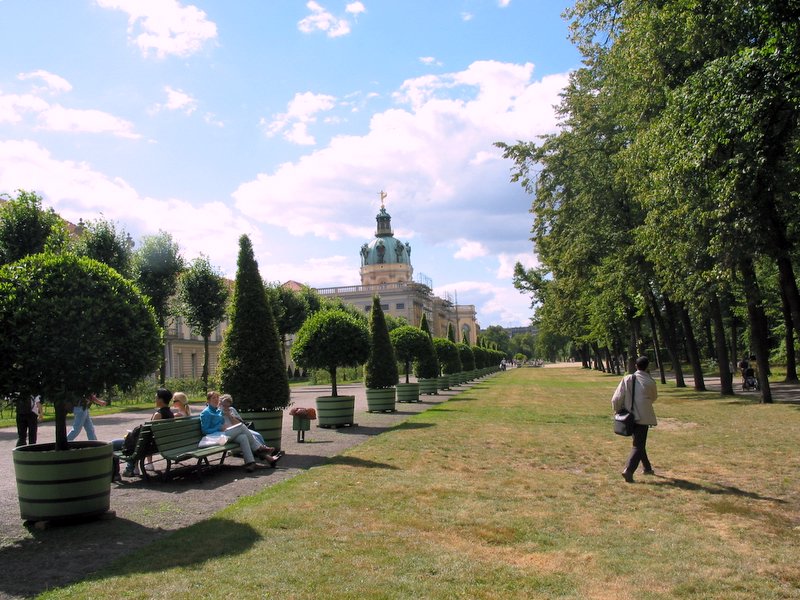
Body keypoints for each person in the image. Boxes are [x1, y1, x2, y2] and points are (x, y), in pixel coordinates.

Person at [200, 391, 279, 472]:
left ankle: (250, 463)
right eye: (213, 398)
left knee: (243, 437)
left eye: (217, 397)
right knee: (241, 426)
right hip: (215, 438)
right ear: (208, 400)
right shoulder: (206, 413)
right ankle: (260, 449)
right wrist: (218, 428)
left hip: (223, 435)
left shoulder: (217, 411)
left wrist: (227, 419)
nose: (216, 399)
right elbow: (205, 430)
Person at [611, 355, 658, 483]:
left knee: (638, 444)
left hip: (629, 417)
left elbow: (616, 398)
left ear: (636, 366)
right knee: (639, 444)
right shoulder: (650, 382)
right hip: (643, 417)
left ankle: (647, 468)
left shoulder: (627, 379)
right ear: (647, 367)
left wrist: (618, 410)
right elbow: (654, 397)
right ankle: (629, 470)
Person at [116, 388, 175, 478]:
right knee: (134, 442)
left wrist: (132, 435)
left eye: (156, 397)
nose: (155, 399)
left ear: (161, 400)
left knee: (113, 444)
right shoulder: (171, 414)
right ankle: (132, 468)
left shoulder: (158, 415)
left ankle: (122, 472)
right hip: (159, 445)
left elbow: (149, 434)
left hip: (148, 446)